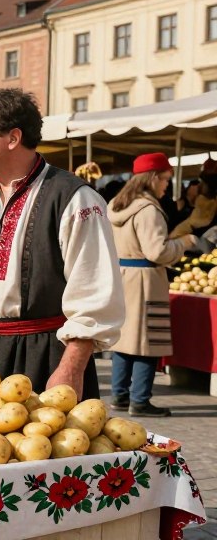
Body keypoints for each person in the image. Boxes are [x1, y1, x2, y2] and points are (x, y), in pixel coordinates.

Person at [0, 89, 123, 399]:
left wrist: (70, 369)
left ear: (13, 138)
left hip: (44, 356)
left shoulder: (74, 198)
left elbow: (95, 296)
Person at [108, 153, 195, 417]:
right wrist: (184, 243)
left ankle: (120, 396)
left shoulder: (118, 205)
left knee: (124, 341)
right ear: (153, 178)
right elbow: (157, 251)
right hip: (146, 280)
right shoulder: (148, 210)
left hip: (123, 276)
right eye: (166, 179)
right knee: (147, 342)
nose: (167, 185)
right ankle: (140, 400)